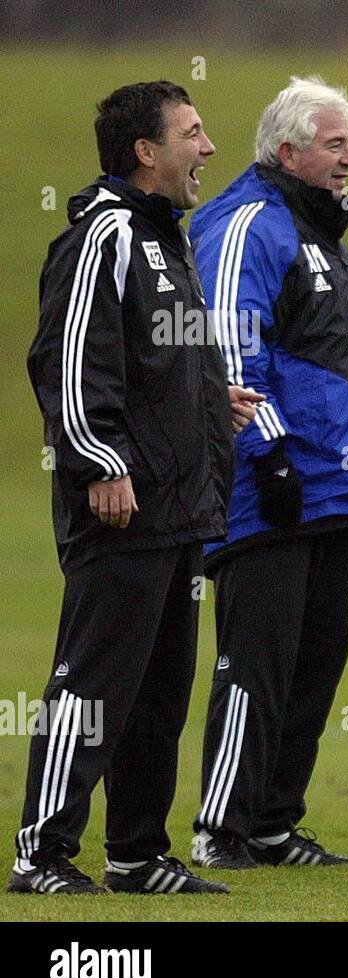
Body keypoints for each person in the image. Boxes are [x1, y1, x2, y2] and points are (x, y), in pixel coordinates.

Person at [13, 81, 254, 895]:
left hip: (179, 505)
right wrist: (97, 460)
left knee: (159, 693)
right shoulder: (104, 236)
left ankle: (137, 854)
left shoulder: (164, 240)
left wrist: (209, 399)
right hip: (123, 501)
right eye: (192, 133)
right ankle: (42, 854)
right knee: (92, 683)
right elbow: (68, 358)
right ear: (146, 152)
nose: (209, 148)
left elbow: (153, 359)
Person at [187, 77, 348, 870]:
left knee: (315, 661)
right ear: (288, 150)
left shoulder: (322, 239)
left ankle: (274, 824)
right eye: (335, 143)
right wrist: (269, 451)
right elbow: (228, 345)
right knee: (260, 661)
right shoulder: (250, 224)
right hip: (273, 485)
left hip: (330, 491)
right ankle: (223, 828)